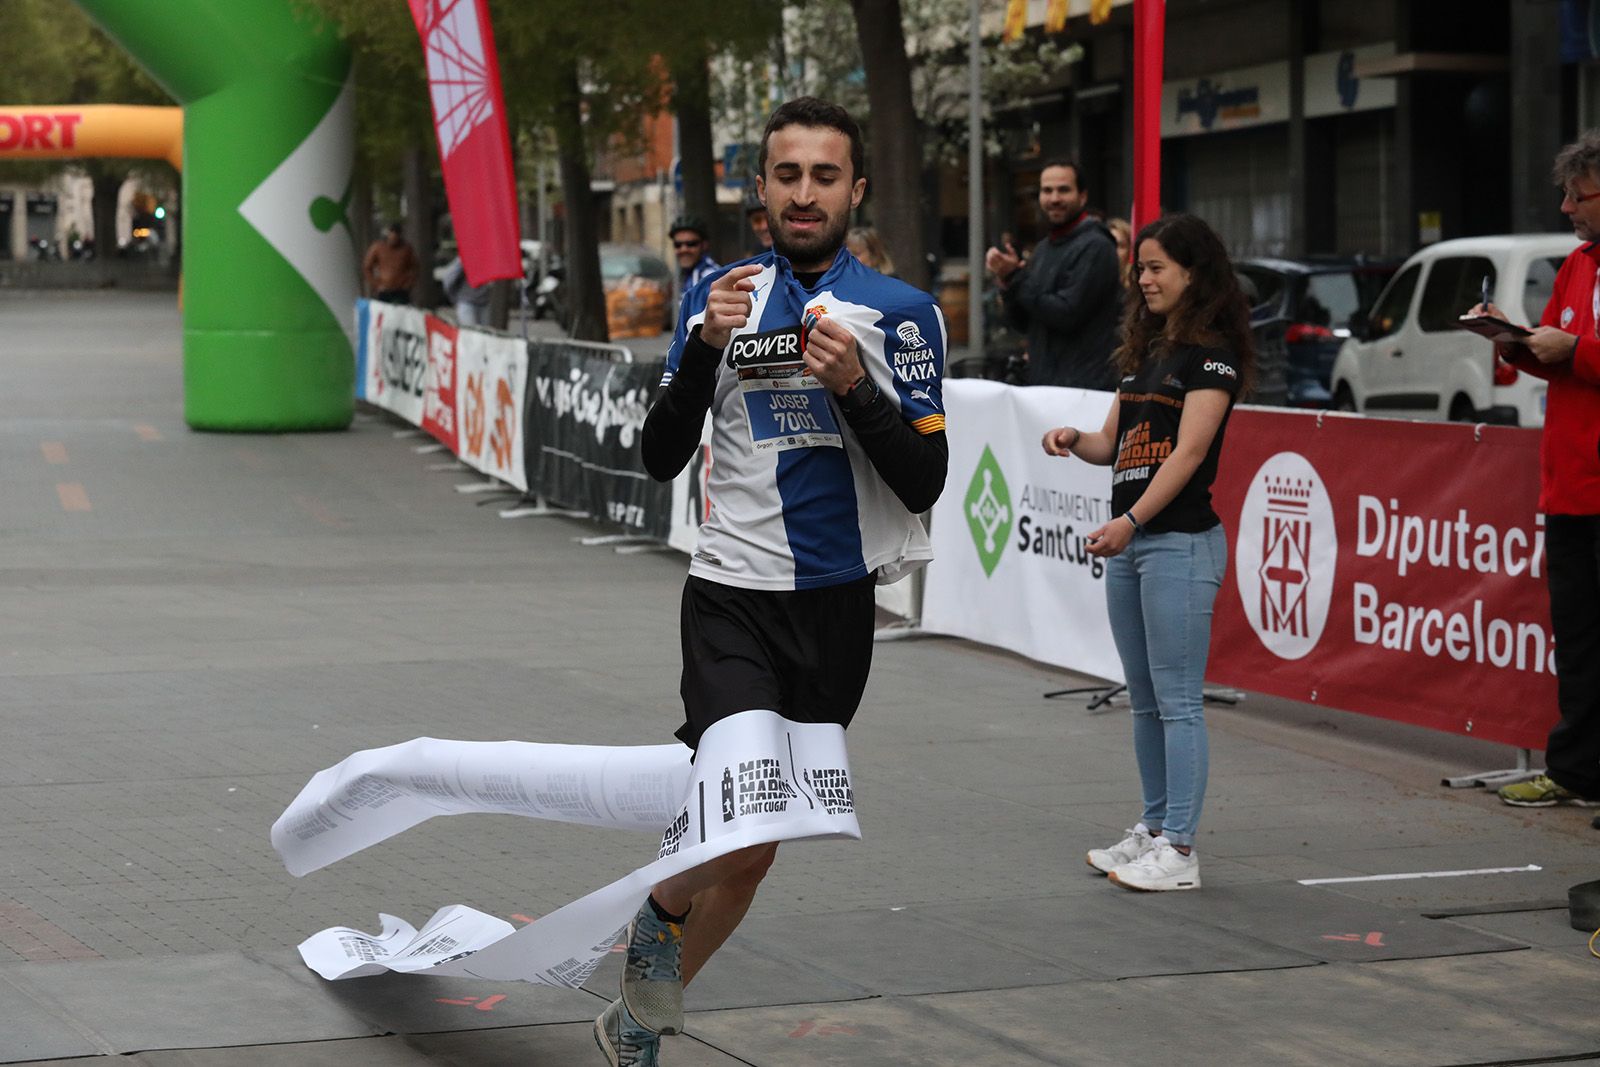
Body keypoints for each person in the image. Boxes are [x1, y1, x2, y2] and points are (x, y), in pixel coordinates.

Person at [601, 97, 949, 1066]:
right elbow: (659, 456)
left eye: (823, 176)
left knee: (756, 852)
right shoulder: (715, 296)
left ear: (854, 188)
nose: (804, 194)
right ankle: (660, 914)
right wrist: (705, 348)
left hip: (839, 607)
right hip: (728, 596)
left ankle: (639, 1013)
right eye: (786, 175)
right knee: (746, 816)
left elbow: (924, 479)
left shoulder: (901, 311)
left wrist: (853, 388)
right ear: (760, 188)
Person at [1039, 213, 1255, 892]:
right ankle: (1154, 826)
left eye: (1158, 266)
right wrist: (1076, 437)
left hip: (1180, 544)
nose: (1145, 277)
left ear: (1195, 273)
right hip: (1135, 543)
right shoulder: (1143, 352)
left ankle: (1181, 849)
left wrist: (1130, 519)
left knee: (1179, 700)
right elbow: (1115, 442)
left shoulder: (1211, 357)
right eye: (1141, 266)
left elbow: (1189, 454)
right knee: (1145, 699)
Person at [1469, 132, 1600, 819]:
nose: (1566, 206)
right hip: (1572, 485)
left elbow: (1580, 351)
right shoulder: (1578, 265)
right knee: (1578, 638)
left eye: (1579, 195)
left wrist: (1573, 348)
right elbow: (1561, 352)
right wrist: (1515, 343)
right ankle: (1576, 769)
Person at [985, 160, 1121, 390]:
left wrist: (1017, 277)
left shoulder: (1097, 247)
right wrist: (1008, 282)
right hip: (1046, 387)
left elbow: (1066, 314)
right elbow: (1025, 322)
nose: (1054, 198)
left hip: (1083, 389)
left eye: (1063, 190)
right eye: (1047, 190)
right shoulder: (1044, 248)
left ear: (1083, 196)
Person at [363, 222, 418, 305]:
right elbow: (367, 267)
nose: (394, 239)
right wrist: (376, 284)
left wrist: (409, 284)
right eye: (392, 236)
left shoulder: (406, 249)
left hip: (401, 290)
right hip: (384, 290)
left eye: (396, 236)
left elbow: (415, 267)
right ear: (388, 234)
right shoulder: (378, 247)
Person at [668, 215, 720, 296]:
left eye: (691, 244)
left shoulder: (710, 277)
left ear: (704, 245)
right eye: (678, 245)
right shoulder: (685, 275)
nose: (683, 249)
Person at [440, 254, 492, 327]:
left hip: (484, 302)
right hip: (467, 303)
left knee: (486, 333)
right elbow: (449, 278)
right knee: (470, 332)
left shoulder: (490, 256)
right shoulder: (465, 256)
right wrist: (455, 298)